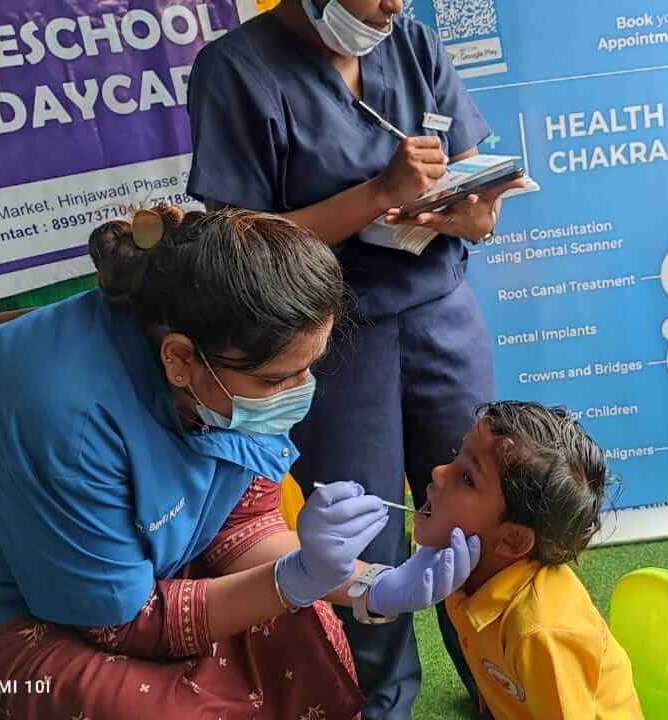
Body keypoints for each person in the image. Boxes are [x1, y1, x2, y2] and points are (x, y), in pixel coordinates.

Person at [0, 206, 479, 718]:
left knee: (303, 631)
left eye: (309, 368)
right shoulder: (62, 412)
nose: (301, 392)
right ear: (178, 360)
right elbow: (119, 623)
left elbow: (241, 522)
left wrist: (364, 585)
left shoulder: (222, 359)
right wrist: (296, 578)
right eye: (278, 379)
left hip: (127, 573)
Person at [185, 1, 522, 715]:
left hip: (440, 310)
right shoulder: (236, 71)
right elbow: (238, 244)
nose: (393, 6)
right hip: (332, 336)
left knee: (480, 511)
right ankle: (380, 701)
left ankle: (501, 690)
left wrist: (477, 214)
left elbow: (474, 179)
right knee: (363, 535)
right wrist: (377, 196)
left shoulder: (413, 46)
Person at [418, 401, 644, 719]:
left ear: (512, 540)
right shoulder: (473, 577)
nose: (439, 473)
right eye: (458, 454)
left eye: (467, 478)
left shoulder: (542, 633)